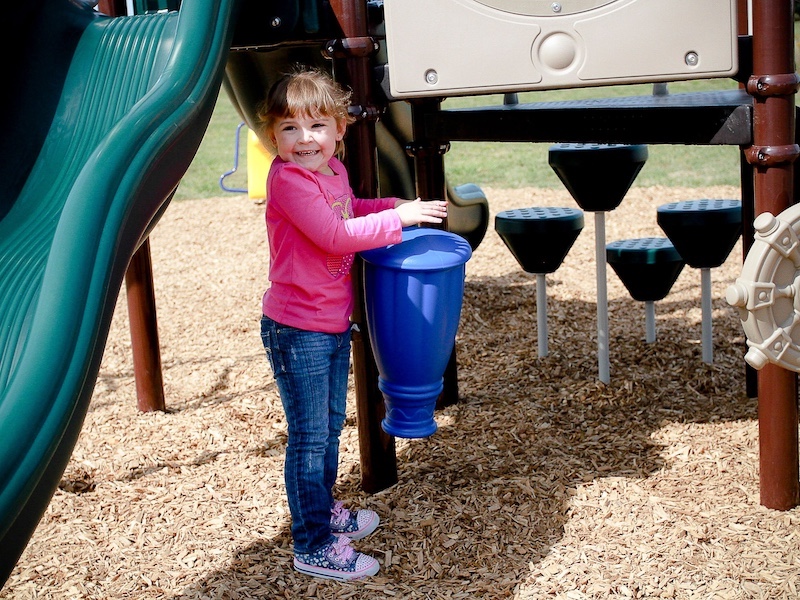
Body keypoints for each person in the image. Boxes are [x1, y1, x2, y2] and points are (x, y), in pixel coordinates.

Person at [256, 67, 447, 581]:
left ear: (340, 129)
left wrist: (394, 206)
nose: (304, 140)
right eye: (289, 129)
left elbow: (351, 208)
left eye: (317, 125)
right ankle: (312, 543)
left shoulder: (331, 173)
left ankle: (325, 511)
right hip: (297, 329)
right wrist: (399, 223)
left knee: (328, 428)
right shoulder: (288, 181)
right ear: (272, 136)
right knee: (309, 436)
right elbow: (336, 235)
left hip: (329, 323)